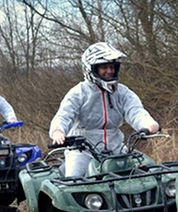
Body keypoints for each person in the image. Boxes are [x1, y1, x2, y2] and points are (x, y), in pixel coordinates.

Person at [49, 42, 160, 178]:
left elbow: (135, 111)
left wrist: (148, 124)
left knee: (151, 171)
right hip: (83, 152)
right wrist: (58, 131)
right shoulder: (78, 93)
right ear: (90, 69)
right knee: (73, 183)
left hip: (117, 150)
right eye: (104, 67)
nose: (109, 71)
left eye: (112, 67)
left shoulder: (122, 92)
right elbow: (64, 115)